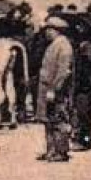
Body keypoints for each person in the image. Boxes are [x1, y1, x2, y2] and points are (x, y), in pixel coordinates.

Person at [36, 16, 75, 162]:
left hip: (55, 90)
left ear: (56, 30)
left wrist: (54, 89)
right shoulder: (54, 44)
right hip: (47, 88)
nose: (46, 33)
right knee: (49, 120)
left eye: (49, 29)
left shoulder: (63, 46)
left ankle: (61, 151)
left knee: (59, 120)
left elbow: (63, 71)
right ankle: (51, 150)